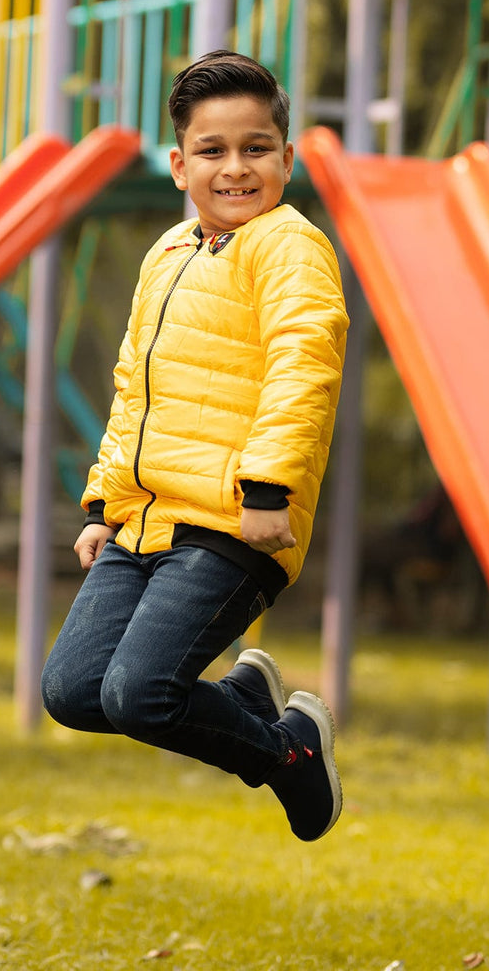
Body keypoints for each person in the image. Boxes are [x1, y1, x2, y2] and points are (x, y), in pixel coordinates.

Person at [41, 50, 349, 842]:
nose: (236, 168)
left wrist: (268, 491)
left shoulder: (291, 247)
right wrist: (103, 503)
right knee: (74, 691)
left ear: (288, 157)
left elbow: (302, 367)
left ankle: (290, 755)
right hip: (145, 520)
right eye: (213, 151)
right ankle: (249, 706)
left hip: (230, 524)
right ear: (180, 165)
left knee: (140, 695)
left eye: (256, 148)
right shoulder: (171, 251)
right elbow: (133, 384)